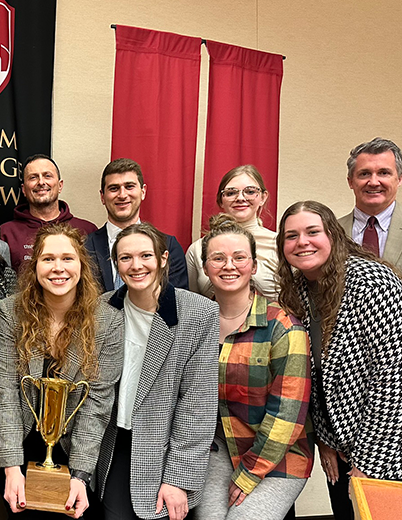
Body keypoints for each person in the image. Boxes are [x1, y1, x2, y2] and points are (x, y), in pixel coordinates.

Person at [277, 200, 402, 519]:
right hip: (346, 446)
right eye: (291, 236)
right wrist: (326, 440)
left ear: (333, 235)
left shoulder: (372, 282)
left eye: (312, 232)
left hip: (401, 447)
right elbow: (315, 377)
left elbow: (396, 383)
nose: (302, 242)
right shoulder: (300, 290)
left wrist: (368, 464)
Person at [0, 223, 124, 519]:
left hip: (76, 450)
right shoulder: (10, 312)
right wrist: (12, 468)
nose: (58, 268)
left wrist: (80, 474)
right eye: (48, 259)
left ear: (81, 265)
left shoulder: (108, 323)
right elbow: (4, 393)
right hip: (19, 445)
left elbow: (96, 406)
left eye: (67, 258)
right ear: (34, 265)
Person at [191, 215, 312, 520]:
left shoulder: (283, 327)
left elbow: (287, 415)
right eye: (218, 258)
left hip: (277, 456)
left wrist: (249, 474)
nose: (228, 265)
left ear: (254, 266)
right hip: (219, 449)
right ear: (206, 268)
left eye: (239, 257)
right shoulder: (194, 322)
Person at [95, 222, 219, 520]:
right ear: (115, 263)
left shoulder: (198, 313)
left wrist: (177, 478)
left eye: (145, 256)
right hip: (115, 446)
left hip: (165, 450)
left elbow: (197, 404)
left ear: (163, 259)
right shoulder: (102, 308)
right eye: (125, 258)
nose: (136, 266)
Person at [338, 137, 402, 313]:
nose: (373, 182)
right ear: (350, 181)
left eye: (384, 173)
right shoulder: (331, 233)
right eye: (364, 173)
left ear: (400, 179)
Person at [85, 158, 188, 292]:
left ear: (143, 191)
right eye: (114, 188)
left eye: (129, 186)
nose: (122, 195)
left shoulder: (168, 245)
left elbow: (178, 302)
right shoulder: (84, 248)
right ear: (102, 197)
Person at [186, 165, 279, 299]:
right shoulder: (198, 249)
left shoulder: (279, 244)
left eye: (250, 191)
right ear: (221, 201)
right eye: (231, 193)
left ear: (263, 197)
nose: (240, 198)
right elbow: (192, 303)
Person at [1, 155, 98, 271]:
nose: (41, 182)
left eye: (47, 176)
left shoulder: (87, 230)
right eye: (33, 177)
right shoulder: (5, 234)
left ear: (60, 185)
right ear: (23, 189)